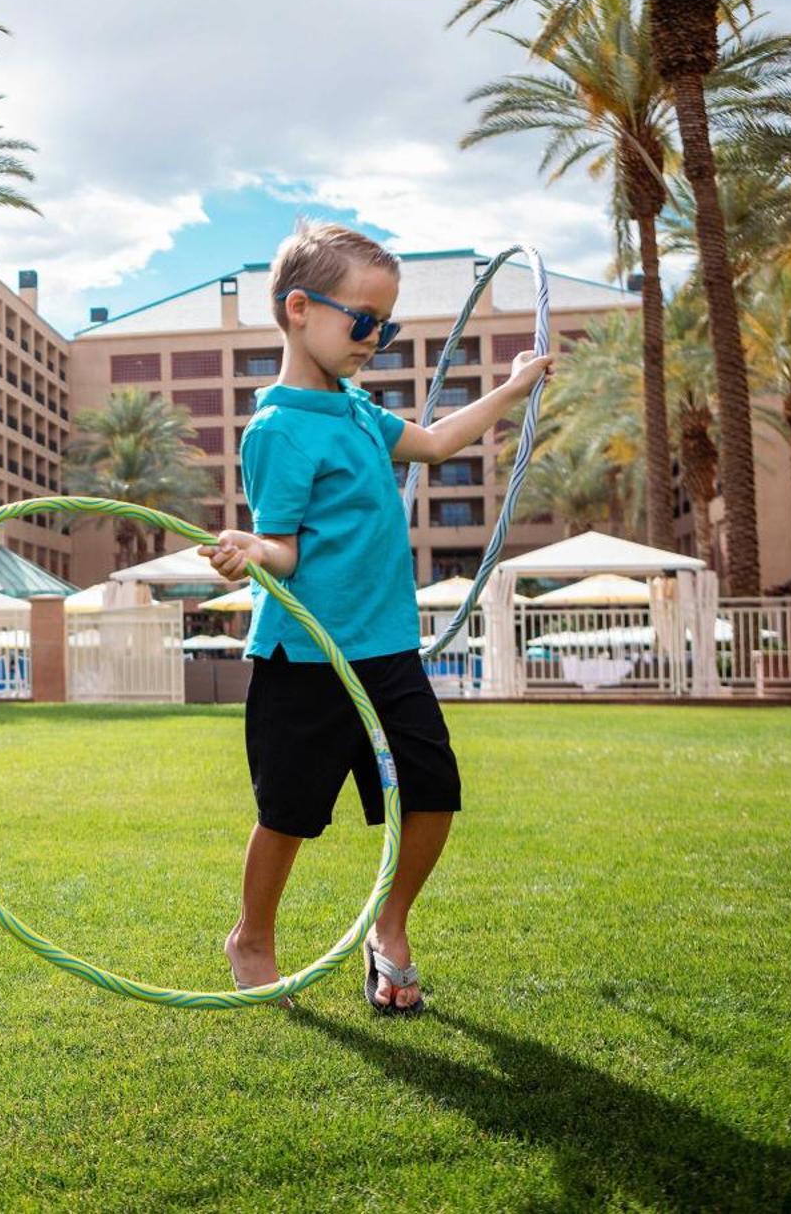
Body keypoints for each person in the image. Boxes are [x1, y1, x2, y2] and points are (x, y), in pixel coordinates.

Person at [205, 221, 552, 1013]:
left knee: (434, 792)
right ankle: (251, 937)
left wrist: (514, 385)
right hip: (306, 656)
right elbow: (285, 549)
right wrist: (252, 551)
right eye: (364, 322)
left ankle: (388, 930)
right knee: (288, 813)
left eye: (386, 325)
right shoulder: (279, 429)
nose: (377, 340)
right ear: (300, 308)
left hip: (388, 650)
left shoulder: (360, 412)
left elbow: (432, 443)